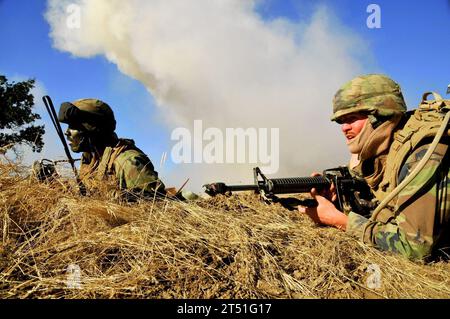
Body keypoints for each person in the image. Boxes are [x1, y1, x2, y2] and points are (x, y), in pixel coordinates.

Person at [299, 74, 450, 260]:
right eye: (341, 121)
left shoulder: (423, 155)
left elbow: (415, 247)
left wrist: (340, 221)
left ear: (379, 115)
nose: (344, 128)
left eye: (351, 118)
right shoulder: (389, 147)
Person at [57, 98, 167, 200]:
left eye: (73, 126)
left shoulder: (128, 162)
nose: (67, 132)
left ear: (92, 128)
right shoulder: (91, 159)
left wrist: (116, 197)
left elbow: (155, 208)